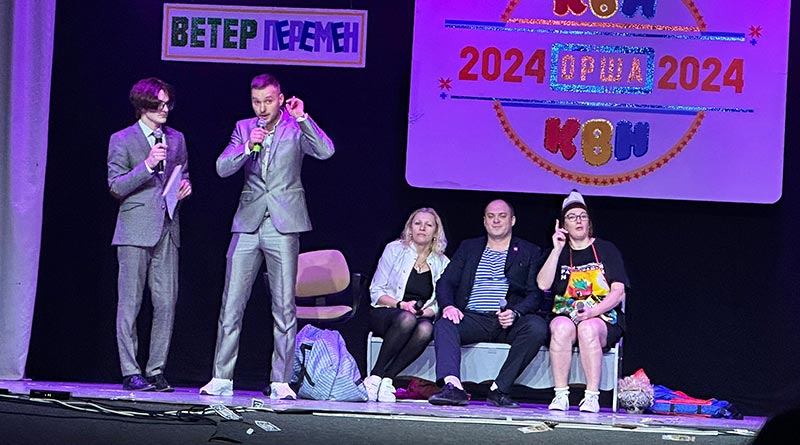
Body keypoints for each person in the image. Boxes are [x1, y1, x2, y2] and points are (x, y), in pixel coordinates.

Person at [200, 73, 334, 400]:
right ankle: (221, 377)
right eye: (256, 101)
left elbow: (326, 151)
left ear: (280, 99)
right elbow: (221, 167)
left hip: (283, 223)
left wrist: (302, 117)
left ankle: (281, 380)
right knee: (231, 303)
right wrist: (248, 146)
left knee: (284, 306)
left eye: (268, 101)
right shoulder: (244, 127)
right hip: (247, 221)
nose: (262, 108)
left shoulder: (294, 126)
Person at [107, 77, 192, 392]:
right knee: (130, 304)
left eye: (168, 103)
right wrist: (146, 165)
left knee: (166, 303)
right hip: (134, 230)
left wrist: (184, 187)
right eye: (159, 103)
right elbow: (116, 186)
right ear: (143, 105)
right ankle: (130, 371)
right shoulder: (122, 139)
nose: (165, 109)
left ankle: (156, 370)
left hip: (167, 228)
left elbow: (183, 172)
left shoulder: (177, 139)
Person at [428, 199, 548, 408]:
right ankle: (453, 387)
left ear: (512, 220)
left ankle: (499, 389)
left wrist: (516, 312)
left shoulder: (529, 251)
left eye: (502, 216)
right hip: (472, 317)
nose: (496, 221)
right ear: (484, 221)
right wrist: (448, 306)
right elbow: (445, 282)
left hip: (506, 321)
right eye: (491, 216)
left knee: (537, 327)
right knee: (444, 324)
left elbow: (534, 294)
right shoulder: (469, 247)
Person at [536, 190, 628, 413]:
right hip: (566, 314)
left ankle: (592, 396)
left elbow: (618, 291)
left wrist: (593, 311)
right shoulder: (557, 253)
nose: (578, 221)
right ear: (563, 225)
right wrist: (557, 250)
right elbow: (543, 284)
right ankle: (561, 395)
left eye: (582, 216)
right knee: (560, 327)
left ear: (589, 222)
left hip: (603, 316)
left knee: (587, 328)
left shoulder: (606, 249)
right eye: (571, 217)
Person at [365, 208, 450, 402]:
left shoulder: (442, 262)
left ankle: (388, 379)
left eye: (428, 225)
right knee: (406, 318)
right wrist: (401, 304)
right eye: (417, 223)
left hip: (419, 315)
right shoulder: (394, 249)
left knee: (426, 329)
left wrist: (426, 312)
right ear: (410, 228)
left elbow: (441, 301)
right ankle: (375, 376)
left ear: (436, 232)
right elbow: (376, 291)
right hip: (388, 311)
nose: (422, 228)